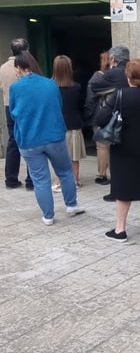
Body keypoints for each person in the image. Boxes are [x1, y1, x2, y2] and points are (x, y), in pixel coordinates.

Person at [8, 51, 85, 224]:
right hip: (54, 136)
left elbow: (13, 113)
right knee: (65, 172)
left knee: (40, 179)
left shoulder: (15, 88)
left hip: (29, 139)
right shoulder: (50, 84)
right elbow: (58, 105)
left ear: (19, 68)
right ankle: (71, 205)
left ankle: (48, 216)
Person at [95, 58, 140, 242]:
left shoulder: (119, 95)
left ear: (129, 76)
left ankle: (120, 230)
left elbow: (100, 120)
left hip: (123, 147)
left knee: (123, 186)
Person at [87, 46, 130, 202]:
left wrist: (111, 89)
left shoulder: (111, 73)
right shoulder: (133, 70)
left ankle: (116, 192)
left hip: (115, 118)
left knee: (116, 155)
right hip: (132, 117)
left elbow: (94, 87)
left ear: (113, 59)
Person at [1, 38, 33, 189]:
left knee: (13, 141)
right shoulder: (28, 66)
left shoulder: (3, 68)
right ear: (26, 50)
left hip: (9, 106)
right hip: (27, 106)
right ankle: (31, 180)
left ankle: (11, 179)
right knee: (30, 140)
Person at [51, 55, 85, 191]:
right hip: (74, 123)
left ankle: (59, 180)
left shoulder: (50, 87)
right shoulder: (76, 87)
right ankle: (75, 179)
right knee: (74, 156)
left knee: (58, 156)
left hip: (56, 125)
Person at [84, 51, 111, 186]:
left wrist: (87, 116)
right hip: (114, 115)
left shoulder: (96, 78)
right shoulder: (118, 76)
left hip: (99, 115)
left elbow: (90, 100)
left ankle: (102, 175)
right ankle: (116, 173)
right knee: (113, 146)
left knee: (102, 147)